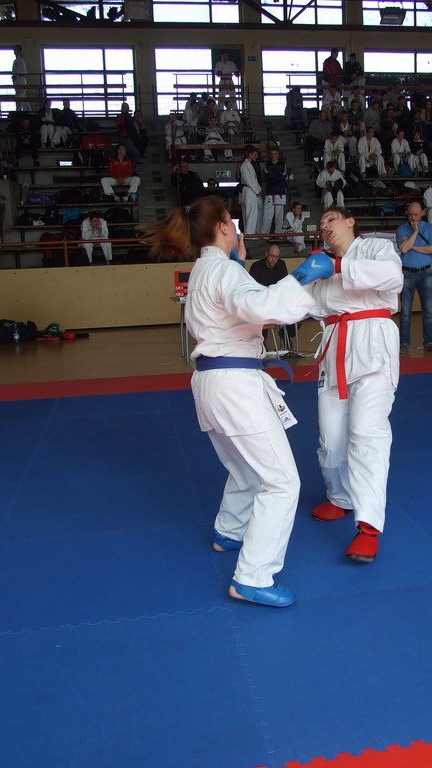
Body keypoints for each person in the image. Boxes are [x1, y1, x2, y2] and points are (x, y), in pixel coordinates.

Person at [144, 196, 328, 607]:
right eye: (233, 223)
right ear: (226, 226)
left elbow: (238, 305)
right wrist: (302, 275)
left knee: (244, 468)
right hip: (234, 387)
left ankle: (228, 531)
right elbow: (262, 307)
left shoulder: (205, 269)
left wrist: (239, 263)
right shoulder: (224, 271)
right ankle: (252, 578)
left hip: (212, 383)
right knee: (282, 483)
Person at [306, 207, 403, 564]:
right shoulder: (321, 268)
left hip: (372, 346)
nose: (324, 227)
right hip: (335, 351)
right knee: (330, 440)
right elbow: (294, 303)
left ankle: (369, 527)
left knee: (366, 434)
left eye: (330, 219)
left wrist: (336, 267)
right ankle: (340, 497)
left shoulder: (376, 249)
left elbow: (392, 277)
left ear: (350, 222)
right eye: (321, 224)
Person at [395, 200, 432, 355]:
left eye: (416, 214)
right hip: (407, 273)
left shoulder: (429, 228)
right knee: (405, 312)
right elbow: (403, 248)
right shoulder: (402, 229)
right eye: (410, 215)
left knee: (428, 310)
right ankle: (404, 343)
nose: (413, 218)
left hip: (425, 272)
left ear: (423, 213)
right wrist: (415, 232)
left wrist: (412, 246)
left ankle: (429, 342)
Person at [248, 243, 300, 350]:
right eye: (272, 256)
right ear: (266, 254)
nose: (274, 260)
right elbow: (252, 290)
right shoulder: (256, 267)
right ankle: (262, 342)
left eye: (276, 257)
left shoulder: (281, 265)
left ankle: (285, 334)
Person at [259, 146, 289, 236]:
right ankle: (264, 234)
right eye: (272, 154)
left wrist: (274, 175)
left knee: (279, 215)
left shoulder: (283, 164)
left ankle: (278, 233)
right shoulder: (267, 164)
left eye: (275, 154)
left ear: (278, 154)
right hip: (270, 191)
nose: (273, 156)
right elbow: (267, 175)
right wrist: (277, 174)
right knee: (267, 214)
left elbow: (283, 175)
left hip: (280, 191)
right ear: (269, 155)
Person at [237, 145, 262, 234]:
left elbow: (253, 180)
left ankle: (250, 233)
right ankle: (250, 234)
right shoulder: (245, 165)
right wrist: (257, 191)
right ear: (249, 154)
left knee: (249, 214)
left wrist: (258, 189)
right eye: (254, 154)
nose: (256, 156)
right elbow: (250, 181)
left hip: (249, 191)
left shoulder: (248, 165)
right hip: (249, 191)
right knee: (251, 214)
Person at [12, 45, 30, 112]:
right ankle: (28, 112)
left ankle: (19, 112)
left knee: (19, 98)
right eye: (14, 50)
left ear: (20, 51)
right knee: (23, 98)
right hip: (18, 80)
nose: (15, 51)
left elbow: (24, 72)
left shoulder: (21, 60)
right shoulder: (16, 61)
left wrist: (16, 76)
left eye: (16, 50)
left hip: (20, 80)